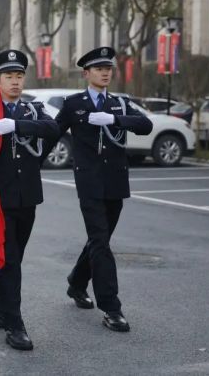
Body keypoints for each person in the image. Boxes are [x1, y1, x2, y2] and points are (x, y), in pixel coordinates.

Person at [43, 46, 153, 332]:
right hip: (89, 183)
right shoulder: (73, 104)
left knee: (98, 240)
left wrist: (115, 119)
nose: (105, 72)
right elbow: (52, 134)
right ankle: (112, 308)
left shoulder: (118, 103)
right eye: (99, 68)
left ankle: (76, 283)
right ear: (86, 73)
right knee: (101, 242)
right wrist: (30, 166)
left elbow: (145, 125)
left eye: (108, 68)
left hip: (116, 182)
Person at [0, 49, 60, 351]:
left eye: (19, 76)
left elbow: (53, 129)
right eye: (9, 76)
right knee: (11, 259)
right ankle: (15, 324)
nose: (15, 81)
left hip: (28, 195)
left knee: (15, 254)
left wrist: (17, 126)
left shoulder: (33, 110)